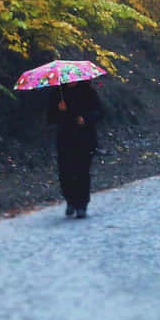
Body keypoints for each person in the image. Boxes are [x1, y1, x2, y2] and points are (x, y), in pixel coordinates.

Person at [48, 79, 104, 218]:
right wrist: (58, 110)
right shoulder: (57, 93)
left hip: (85, 139)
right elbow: (50, 118)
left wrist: (85, 119)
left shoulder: (88, 91)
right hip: (65, 139)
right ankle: (70, 201)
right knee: (65, 172)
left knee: (82, 171)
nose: (70, 82)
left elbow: (99, 112)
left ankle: (82, 205)